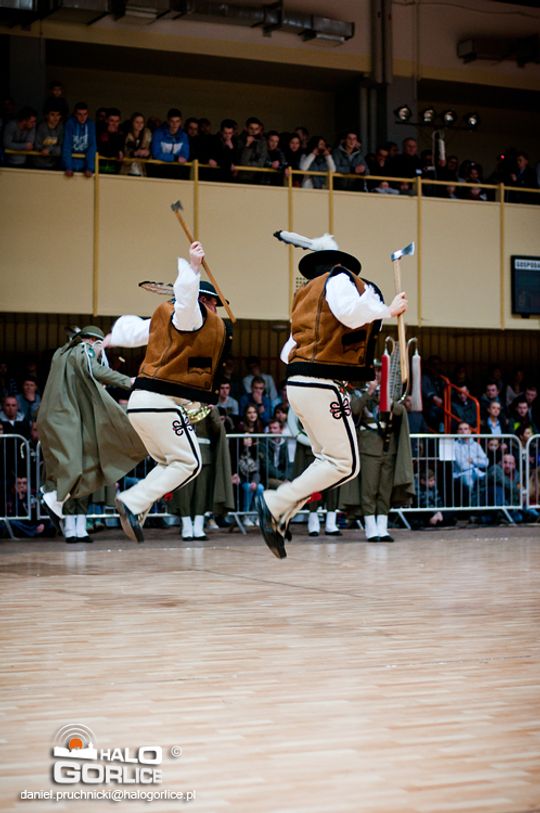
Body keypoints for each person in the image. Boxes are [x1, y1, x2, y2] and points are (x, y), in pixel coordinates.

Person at [255, 231, 408, 558]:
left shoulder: (305, 296)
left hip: (298, 384)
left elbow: (286, 352)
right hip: (321, 384)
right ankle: (276, 502)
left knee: (328, 461)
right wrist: (389, 309)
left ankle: (282, 511)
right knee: (345, 464)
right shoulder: (338, 280)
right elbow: (351, 312)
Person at [108, 242, 230, 543]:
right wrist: (193, 268)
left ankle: (137, 508)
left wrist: (112, 338)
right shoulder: (191, 314)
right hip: (159, 401)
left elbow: (134, 331)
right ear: (204, 300)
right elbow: (187, 301)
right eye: (214, 304)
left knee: (169, 462)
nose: (216, 311)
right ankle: (133, 502)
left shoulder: (165, 321)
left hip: (142, 403)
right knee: (190, 462)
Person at [37, 326, 146, 542]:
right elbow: (94, 369)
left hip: (54, 417)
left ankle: (53, 498)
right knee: (76, 468)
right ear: (92, 342)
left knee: (73, 467)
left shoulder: (61, 354)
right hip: (65, 418)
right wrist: (128, 381)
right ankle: (52, 497)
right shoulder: (83, 350)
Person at [341, 379, 415, 542]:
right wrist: (369, 393)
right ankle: (371, 528)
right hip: (368, 449)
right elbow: (353, 410)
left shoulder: (389, 394)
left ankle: (382, 527)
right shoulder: (358, 393)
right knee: (369, 490)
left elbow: (400, 411)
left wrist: (388, 400)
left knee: (384, 491)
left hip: (388, 448)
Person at [170, 406, 234, 541]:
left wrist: (212, 412)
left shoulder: (206, 406)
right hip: (183, 453)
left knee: (202, 492)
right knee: (184, 492)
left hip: (203, 454)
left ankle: (198, 527)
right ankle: (186, 525)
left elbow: (217, 430)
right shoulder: (180, 405)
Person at [62, 101, 96, 178]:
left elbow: (92, 146)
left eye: (85, 114)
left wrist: (89, 168)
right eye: (79, 114)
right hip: (70, 167)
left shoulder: (91, 124)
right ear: (75, 114)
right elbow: (67, 145)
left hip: (85, 167)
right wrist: (68, 166)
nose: (82, 117)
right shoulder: (70, 124)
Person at [120, 112, 152, 176]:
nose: (139, 125)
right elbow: (124, 151)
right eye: (137, 122)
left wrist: (147, 153)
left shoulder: (147, 134)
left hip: (141, 170)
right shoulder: (126, 134)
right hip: (127, 169)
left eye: (142, 122)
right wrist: (134, 153)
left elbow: (150, 152)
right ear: (132, 123)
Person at [33, 105, 64, 170]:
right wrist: (43, 150)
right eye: (52, 115)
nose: (55, 118)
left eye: (58, 115)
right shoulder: (41, 127)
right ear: (47, 116)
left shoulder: (61, 127)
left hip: (54, 164)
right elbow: (36, 145)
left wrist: (49, 150)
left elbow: (60, 147)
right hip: (39, 164)